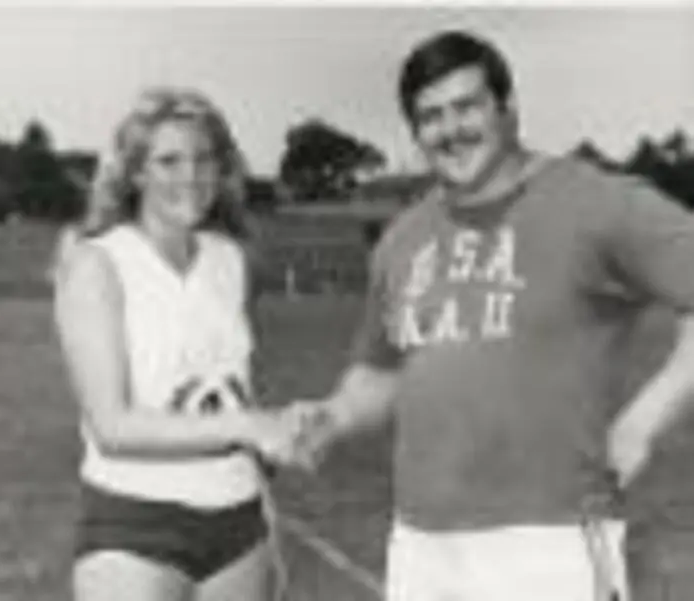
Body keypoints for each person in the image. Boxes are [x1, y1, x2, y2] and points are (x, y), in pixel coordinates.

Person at [289, 30, 694, 601]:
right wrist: (331, 416)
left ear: (508, 110)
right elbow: (381, 371)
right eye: (430, 117)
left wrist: (644, 421)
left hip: (550, 542)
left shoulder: (594, 203)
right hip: (422, 545)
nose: (450, 130)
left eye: (467, 107)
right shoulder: (403, 239)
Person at [53, 87, 302, 601]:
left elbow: (234, 393)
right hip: (134, 526)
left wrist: (271, 462)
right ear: (136, 172)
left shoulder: (230, 260)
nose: (190, 175)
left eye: (204, 158)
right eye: (168, 160)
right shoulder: (97, 264)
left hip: (239, 524)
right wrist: (247, 425)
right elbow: (112, 427)